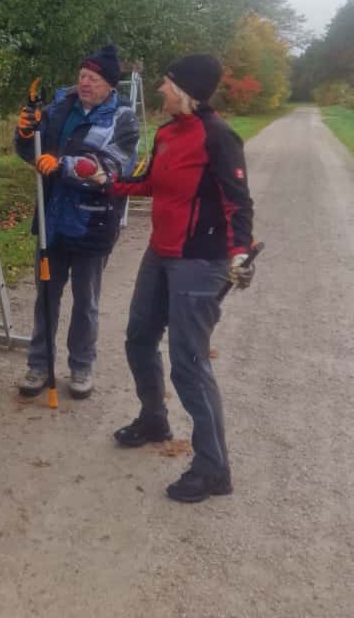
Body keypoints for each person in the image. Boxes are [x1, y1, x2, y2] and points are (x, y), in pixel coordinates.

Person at [110, 54, 255, 504]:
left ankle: (214, 469)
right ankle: (154, 419)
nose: (160, 91)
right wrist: (104, 180)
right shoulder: (170, 133)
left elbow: (238, 202)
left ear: (187, 90)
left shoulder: (217, 136)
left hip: (199, 261)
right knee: (138, 338)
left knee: (190, 365)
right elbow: (149, 181)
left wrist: (240, 253)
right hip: (160, 253)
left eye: (167, 84)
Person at [14, 45, 139, 400]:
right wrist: (25, 134)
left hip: (92, 223)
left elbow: (115, 167)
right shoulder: (58, 108)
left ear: (109, 85)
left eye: (93, 78)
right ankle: (39, 365)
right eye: (82, 75)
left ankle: (81, 366)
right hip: (52, 217)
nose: (84, 82)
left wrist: (65, 166)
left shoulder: (123, 118)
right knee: (46, 298)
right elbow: (31, 154)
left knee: (86, 302)